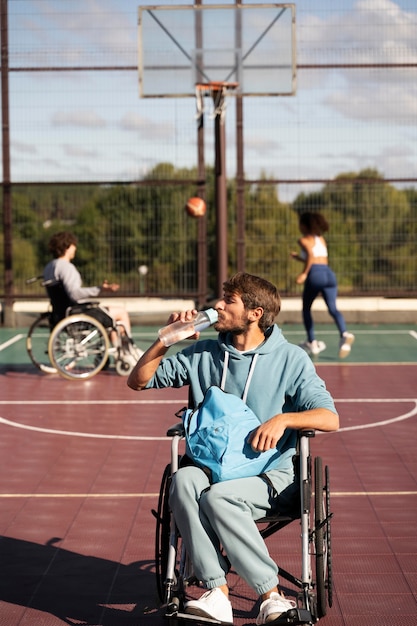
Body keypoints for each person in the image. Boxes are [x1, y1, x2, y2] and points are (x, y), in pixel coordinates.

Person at [127, 272, 339, 625]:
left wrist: (284, 420)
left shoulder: (290, 359)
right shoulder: (204, 353)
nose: (217, 306)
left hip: (270, 477)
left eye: (229, 301)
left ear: (255, 313)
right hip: (211, 468)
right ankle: (217, 593)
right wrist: (165, 340)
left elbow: (330, 417)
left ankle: (271, 597)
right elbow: (138, 381)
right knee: (184, 481)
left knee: (218, 497)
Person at [43, 231, 142, 363]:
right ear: (67, 246)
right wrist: (99, 289)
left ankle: (120, 352)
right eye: (73, 245)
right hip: (76, 312)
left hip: (60, 313)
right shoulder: (66, 267)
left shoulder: (49, 267)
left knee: (109, 316)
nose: (75, 248)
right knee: (120, 312)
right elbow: (75, 294)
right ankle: (127, 351)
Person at [290, 211, 355, 358]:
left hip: (315, 275)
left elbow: (311, 257)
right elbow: (316, 259)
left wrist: (304, 274)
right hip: (328, 274)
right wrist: (299, 259)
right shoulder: (321, 239)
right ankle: (344, 333)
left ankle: (312, 342)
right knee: (333, 308)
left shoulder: (303, 240)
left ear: (304, 226)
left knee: (306, 309)